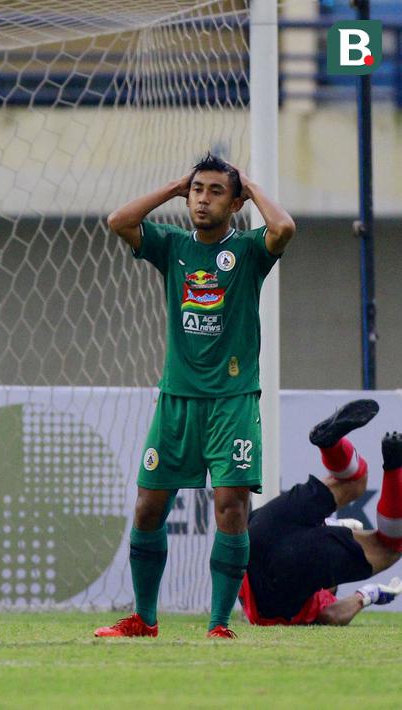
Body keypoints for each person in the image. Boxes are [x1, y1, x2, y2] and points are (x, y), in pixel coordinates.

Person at [95, 153, 295, 639]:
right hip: (177, 400)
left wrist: (248, 182)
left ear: (236, 202)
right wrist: (173, 187)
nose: (203, 200)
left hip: (233, 400)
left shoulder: (248, 251)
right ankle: (144, 619)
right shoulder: (172, 245)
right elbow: (119, 220)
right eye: (197, 190)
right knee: (148, 507)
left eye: (215, 192)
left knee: (231, 505)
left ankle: (219, 624)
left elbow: (284, 227)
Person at [238, 399, 402, 626]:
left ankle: (381, 463)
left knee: (358, 490)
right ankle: (333, 446)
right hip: (261, 543)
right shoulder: (314, 584)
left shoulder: (314, 579)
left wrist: (368, 594)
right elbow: (329, 613)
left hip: (268, 550)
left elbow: (331, 612)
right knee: (385, 542)